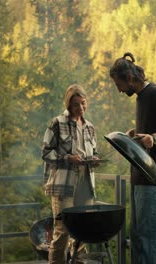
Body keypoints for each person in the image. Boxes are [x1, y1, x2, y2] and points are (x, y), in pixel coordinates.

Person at [109, 52, 156, 264]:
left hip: (152, 178)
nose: (119, 90)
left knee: (151, 239)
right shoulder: (142, 97)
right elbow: (151, 126)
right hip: (139, 177)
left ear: (130, 79)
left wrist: (154, 138)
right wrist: (137, 132)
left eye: (119, 84)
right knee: (139, 238)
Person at [42, 84, 99, 264]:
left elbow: (93, 151)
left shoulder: (90, 127)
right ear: (68, 104)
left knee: (82, 231)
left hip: (85, 184)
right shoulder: (57, 123)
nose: (80, 108)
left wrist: (94, 159)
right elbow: (46, 153)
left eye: (83, 103)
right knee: (63, 231)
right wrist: (67, 157)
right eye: (76, 105)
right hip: (63, 185)